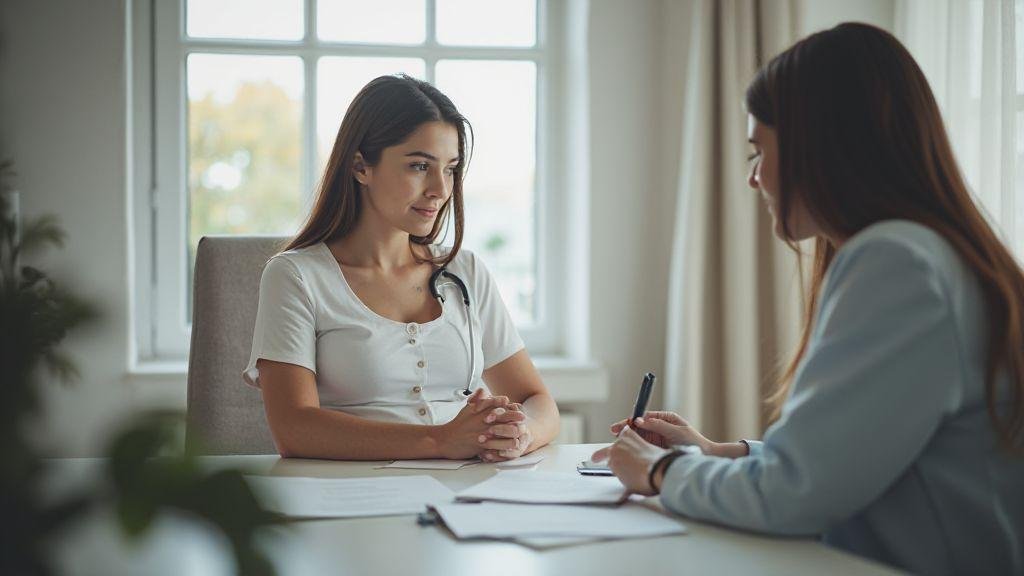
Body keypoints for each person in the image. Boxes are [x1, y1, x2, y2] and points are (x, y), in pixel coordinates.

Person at [592, 23, 1024, 575]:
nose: (754, 179)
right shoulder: (930, 253)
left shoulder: (898, 263)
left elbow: (793, 496)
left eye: (758, 150)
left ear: (815, 145)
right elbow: (845, 461)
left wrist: (661, 471)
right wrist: (719, 453)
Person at [243, 74, 559, 462]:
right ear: (360, 166)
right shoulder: (296, 277)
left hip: (467, 491)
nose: (441, 191)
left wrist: (520, 434)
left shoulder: (466, 270)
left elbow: (538, 400)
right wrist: (439, 441)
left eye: (450, 169)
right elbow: (293, 428)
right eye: (419, 166)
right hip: (351, 498)